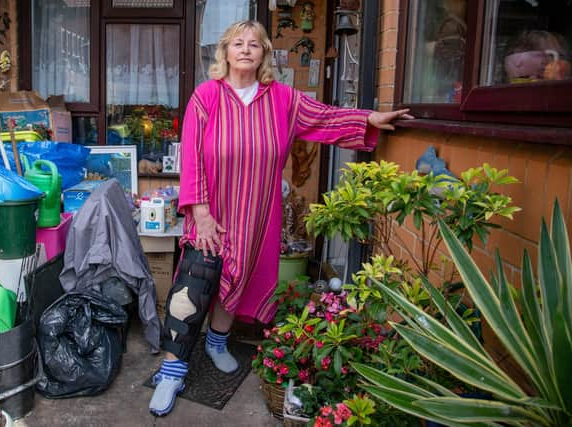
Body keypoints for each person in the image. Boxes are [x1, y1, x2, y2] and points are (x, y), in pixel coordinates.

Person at [148, 20, 413, 416]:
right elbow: (193, 157)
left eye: (254, 44)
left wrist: (367, 119)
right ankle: (172, 370)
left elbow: (324, 118)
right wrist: (200, 212)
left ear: (264, 54)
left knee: (237, 283)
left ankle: (217, 343)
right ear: (225, 52)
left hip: (256, 215)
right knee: (194, 286)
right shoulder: (206, 96)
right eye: (237, 43)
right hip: (211, 212)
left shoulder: (283, 100)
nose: (245, 50)